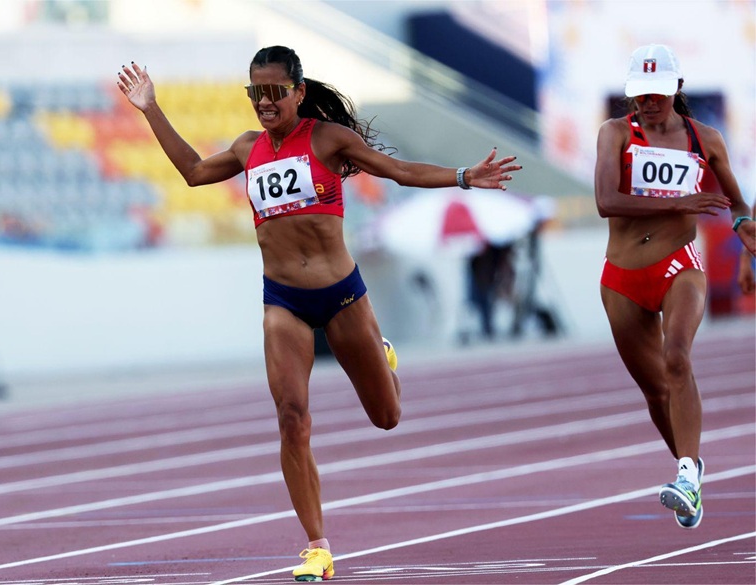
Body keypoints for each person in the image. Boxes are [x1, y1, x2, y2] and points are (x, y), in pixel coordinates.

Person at [118, 45, 521, 581]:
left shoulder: (329, 140)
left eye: (274, 92)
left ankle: (381, 355)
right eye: (256, 92)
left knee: (386, 416)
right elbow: (192, 172)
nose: (264, 102)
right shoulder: (246, 148)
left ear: (298, 92)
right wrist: (150, 108)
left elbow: (399, 170)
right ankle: (317, 546)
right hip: (283, 301)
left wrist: (465, 176)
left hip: (342, 296)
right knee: (292, 418)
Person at [594, 44, 756, 531]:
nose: (648, 102)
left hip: (679, 265)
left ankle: (685, 474)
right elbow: (606, 201)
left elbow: (737, 203)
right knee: (654, 391)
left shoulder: (706, 140)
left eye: (658, 94)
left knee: (677, 356)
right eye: (640, 94)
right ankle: (693, 472)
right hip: (622, 277)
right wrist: (677, 203)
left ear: (677, 89)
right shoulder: (615, 133)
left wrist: (745, 231)